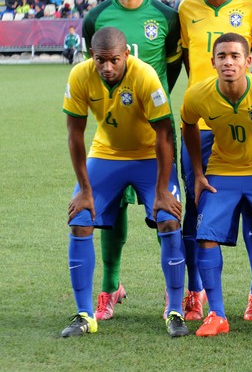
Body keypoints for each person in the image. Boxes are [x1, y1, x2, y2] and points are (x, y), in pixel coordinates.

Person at [60, 27, 188, 338]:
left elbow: (164, 135)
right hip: (106, 154)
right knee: (80, 220)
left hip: (150, 156)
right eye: (100, 60)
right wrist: (86, 190)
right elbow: (75, 135)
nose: (107, 67)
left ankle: (175, 311)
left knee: (169, 220)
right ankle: (84, 315)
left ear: (126, 55)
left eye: (114, 60)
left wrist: (160, 191)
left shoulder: (145, 76)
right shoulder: (79, 76)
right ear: (92, 56)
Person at [82, 0, 183, 322]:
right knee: (111, 210)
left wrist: (151, 101)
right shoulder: (96, 18)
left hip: (156, 133)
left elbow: (171, 72)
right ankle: (110, 286)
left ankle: (179, 292)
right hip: (112, 133)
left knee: (166, 209)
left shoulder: (166, 17)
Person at [180, 32, 252, 337]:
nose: (228, 62)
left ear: (249, 61)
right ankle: (217, 315)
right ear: (213, 62)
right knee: (205, 237)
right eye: (222, 57)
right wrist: (198, 173)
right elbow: (188, 125)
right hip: (222, 171)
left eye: (235, 56)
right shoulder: (197, 95)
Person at [178, 0, 252, 322]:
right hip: (203, 121)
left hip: (245, 120)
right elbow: (186, 59)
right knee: (196, 203)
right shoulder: (186, 10)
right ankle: (194, 291)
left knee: (251, 207)